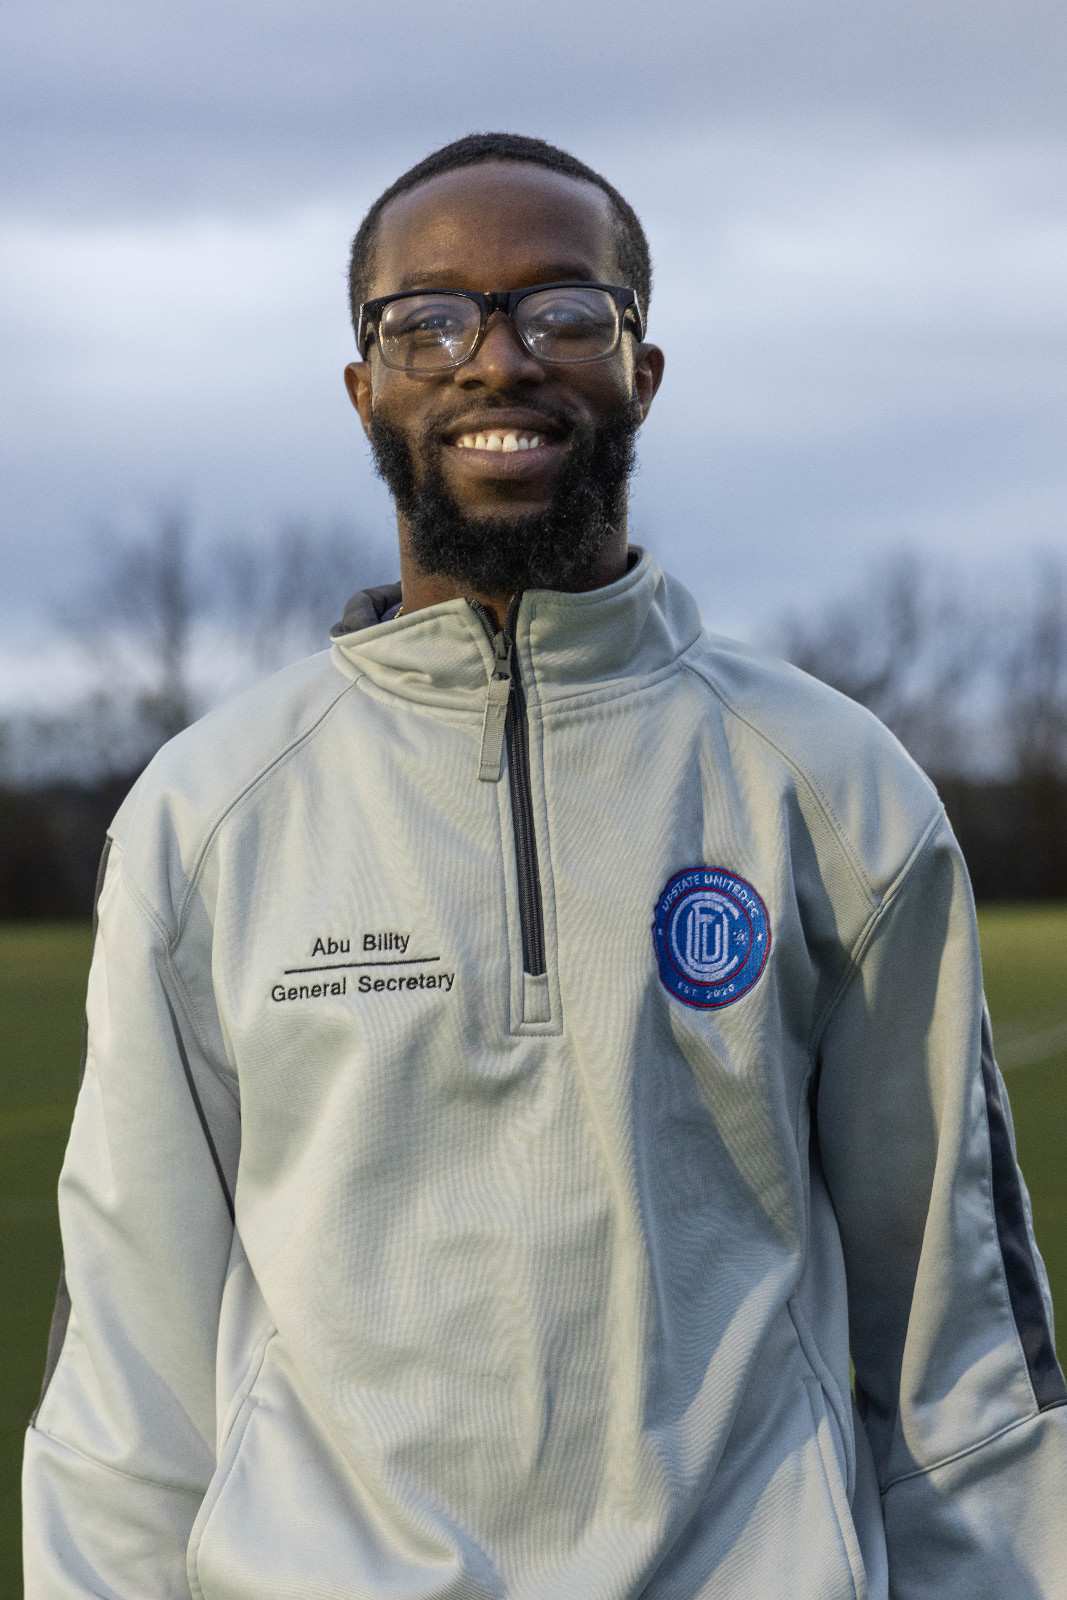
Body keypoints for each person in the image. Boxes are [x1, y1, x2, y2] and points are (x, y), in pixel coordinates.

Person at [22, 130, 1066, 1599]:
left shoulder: (833, 787)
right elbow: (125, 1371)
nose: (496, 359)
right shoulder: (208, 815)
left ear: (640, 369)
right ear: (364, 386)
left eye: (564, 312)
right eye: (428, 321)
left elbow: (956, 1344)